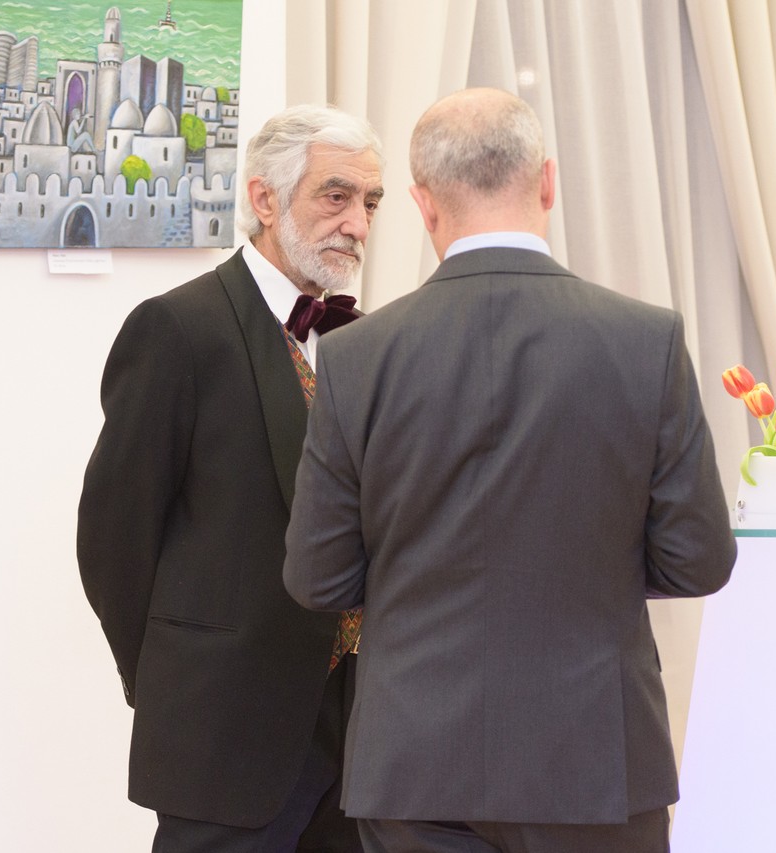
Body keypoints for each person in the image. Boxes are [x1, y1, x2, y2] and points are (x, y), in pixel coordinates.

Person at [282, 88, 736, 853]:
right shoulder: (646, 341)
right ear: (548, 182)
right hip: (597, 762)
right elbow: (699, 560)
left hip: (416, 765)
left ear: (425, 206)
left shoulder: (357, 357)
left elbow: (317, 576)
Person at [77, 103, 384, 853]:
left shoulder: (366, 340)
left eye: (371, 203)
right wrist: (175, 683)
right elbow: (113, 541)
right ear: (264, 199)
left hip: (362, 734)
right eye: (336, 196)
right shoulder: (177, 329)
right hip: (224, 734)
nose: (357, 224)